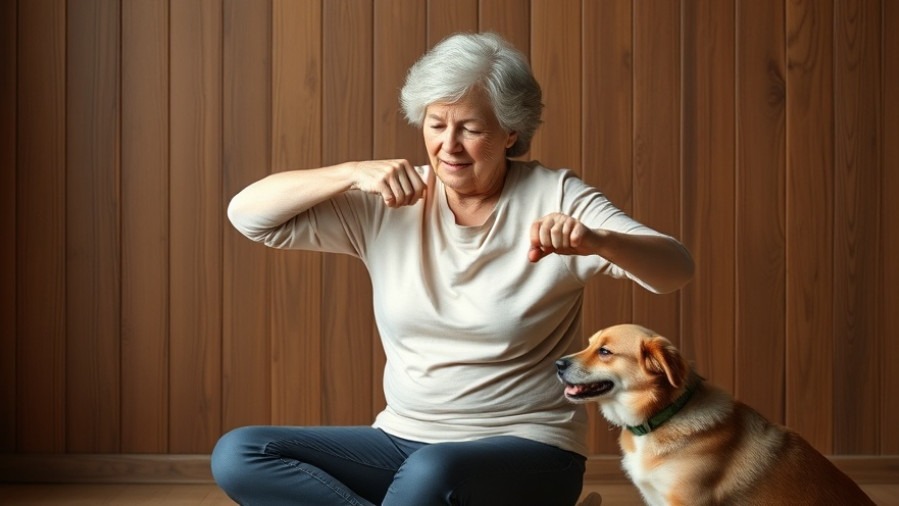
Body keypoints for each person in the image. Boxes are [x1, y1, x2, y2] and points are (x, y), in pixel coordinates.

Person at [211, 32, 694, 506]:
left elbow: (674, 269)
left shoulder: (557, 196)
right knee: (241, 453)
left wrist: (595, 239)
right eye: (436, 124)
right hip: (402, 442)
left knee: (432, 471)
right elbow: (248, 215)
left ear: (510, 132)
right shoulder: (391, 198)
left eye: (471, 128)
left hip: (530, 450)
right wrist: (349, 172)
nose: (449, 145)